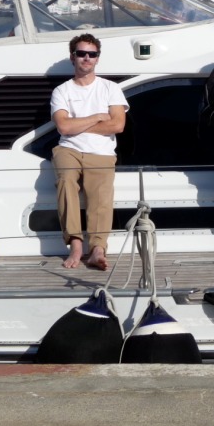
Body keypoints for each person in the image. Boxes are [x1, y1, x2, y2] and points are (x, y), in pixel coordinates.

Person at [51, 34, 129, 270]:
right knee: (66, 182)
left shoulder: (110, 89)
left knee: (100, 197)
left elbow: (118, 125)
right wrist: (96, 116)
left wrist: (79, 123)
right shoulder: (61, 91)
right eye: (82, 53)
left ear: (97, 59)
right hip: (69, 149)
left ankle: (97, 249)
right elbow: (63, 126)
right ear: (72, 57)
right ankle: (75, 244)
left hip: (102, 151)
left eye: (91, 54)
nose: (86, 58)